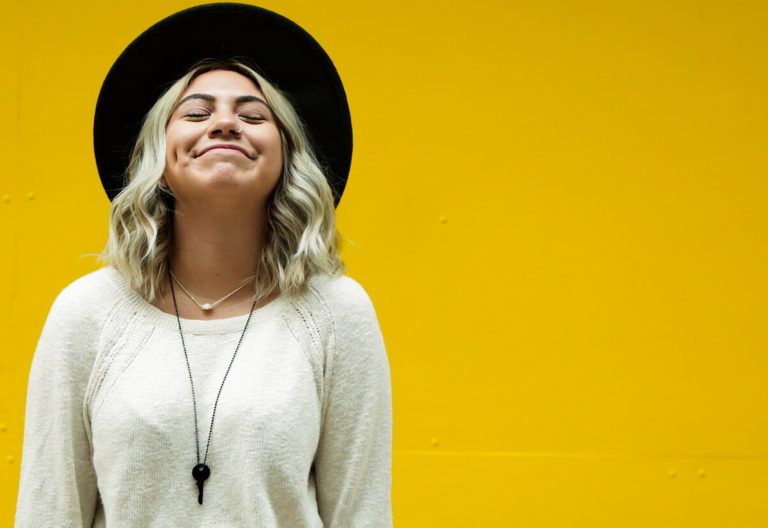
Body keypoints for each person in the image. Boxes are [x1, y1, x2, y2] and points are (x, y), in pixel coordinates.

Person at [15, 4, 392, 527]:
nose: (225, 124)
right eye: (196, 113)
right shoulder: (87, 314)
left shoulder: (335, 314)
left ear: (286, 156)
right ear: (157, 154)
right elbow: (48, 511)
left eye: (254, 116)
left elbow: (362, 514)